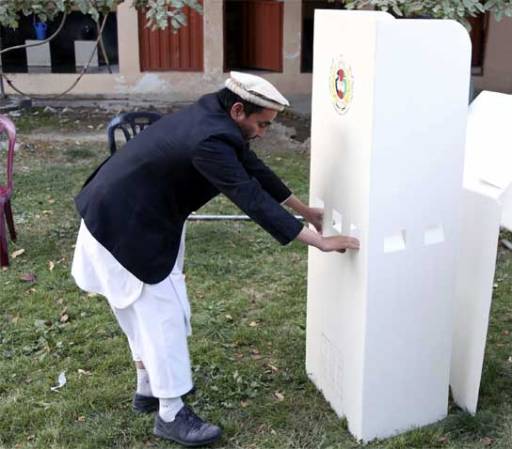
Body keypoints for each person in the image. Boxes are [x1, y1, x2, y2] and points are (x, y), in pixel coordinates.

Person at [71, 72, 359, 447]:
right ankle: (171, 414)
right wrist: (317, 242)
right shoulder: (210, 139)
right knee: (163, 317)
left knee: (138, 310)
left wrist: (306, 210)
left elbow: (254, 170)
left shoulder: (215, 114)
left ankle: (147, 388)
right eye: (261, 124)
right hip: (128, 227)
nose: (263, 132)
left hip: (121, 213)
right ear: (238, 109)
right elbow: (249, 197)